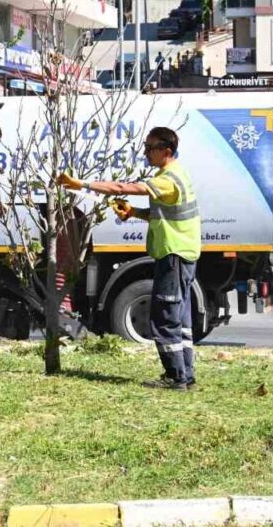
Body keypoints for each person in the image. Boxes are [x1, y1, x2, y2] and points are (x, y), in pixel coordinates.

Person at [56, 126, 200, 390]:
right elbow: (162, 214)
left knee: (165, 316)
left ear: (166, 151)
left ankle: (177, 377)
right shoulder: (174, 174)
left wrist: (82, 184)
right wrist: (133, 212)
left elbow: (125, 187)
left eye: (150, 148)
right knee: (180, 317)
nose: (145, 153)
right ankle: (185, 375)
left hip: (174, 254)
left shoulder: (168, 179)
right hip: (181, 253)